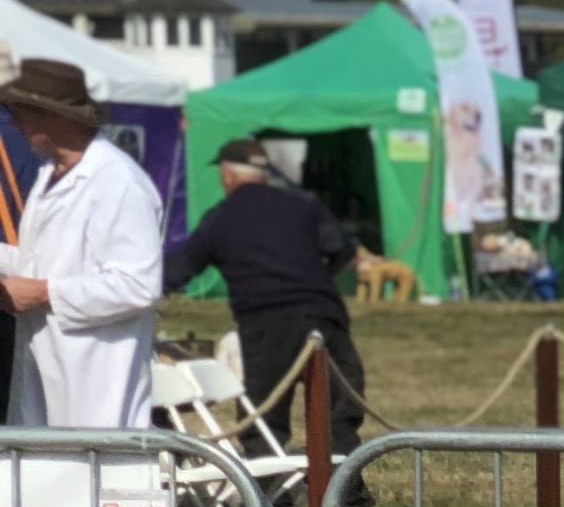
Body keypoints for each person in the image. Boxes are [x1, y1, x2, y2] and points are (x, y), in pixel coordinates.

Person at [159, 135, 366, 467]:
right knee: (337, 416)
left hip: (267, 323)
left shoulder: (222, 217)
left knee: (264, 419)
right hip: (324, 315)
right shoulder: (303, 205)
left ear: (226, 175)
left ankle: (270, 502)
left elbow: (178, 271)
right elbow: (342, 250)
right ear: (263, 174)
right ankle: (349, 504)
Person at [0, 62, 165, 430]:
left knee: (89, 477)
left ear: (52, 115)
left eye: (19, 112)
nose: (13, 123)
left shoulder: (118, 182)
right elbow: (38, 262)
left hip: (95, 383)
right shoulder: (49, 176)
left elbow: (139, 285)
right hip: (45, 370)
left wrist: (45, 294)